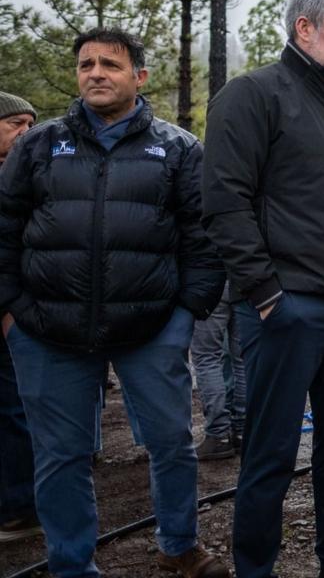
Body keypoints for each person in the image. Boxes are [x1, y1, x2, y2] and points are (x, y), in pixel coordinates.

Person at [0, 29, 229, 577]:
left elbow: (204, 238)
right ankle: (71, 565)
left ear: (139, 77)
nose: (96, 73)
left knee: (172, 444)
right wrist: (11, 314)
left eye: (110, 64)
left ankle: (179, 546)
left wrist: (183, 317)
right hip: (46, 330)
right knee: (61, 457)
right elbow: (4, 230)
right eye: (86, 65)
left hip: (151, 328)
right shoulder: (38, 145)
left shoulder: (177, 149)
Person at [202, 0, 324, 578]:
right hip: (287, 310)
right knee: (271, 456)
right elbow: (224, 203)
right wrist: (266, 294)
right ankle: (254, 570)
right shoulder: (250, 96)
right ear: (304, 29)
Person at [0, 91, 37, 542]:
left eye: (31, 123)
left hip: (16, 314)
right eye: (15, 124)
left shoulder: (28, 176)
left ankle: (19, 507)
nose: (26, 131)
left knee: (14, 409)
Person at [189, 281, 245, 460]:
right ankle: (243, 431)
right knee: (243, 360)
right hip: (242, 279)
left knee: (207, 358)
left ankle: (218, 434)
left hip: (210, 283)